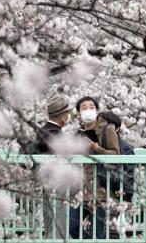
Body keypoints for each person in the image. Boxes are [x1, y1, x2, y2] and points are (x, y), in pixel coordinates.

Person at [71, 96, 120, 240]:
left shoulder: (107, 130)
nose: (88, 110)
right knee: (72, 226)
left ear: (97, 111)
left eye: (91, 107)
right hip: (80, 190)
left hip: (100, 189)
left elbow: (116, 154)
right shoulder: (77, 134)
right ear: (78, 114)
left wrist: (96, 148)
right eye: (84, 108)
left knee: (96, 232)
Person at [30, 97, 71, 241]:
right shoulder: (54, 132)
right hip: (55, 179)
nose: (68, 116)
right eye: (68, 113)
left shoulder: (45, 129)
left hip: (46, 178)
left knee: (50, 216)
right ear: (63, 115)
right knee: (58, 217)